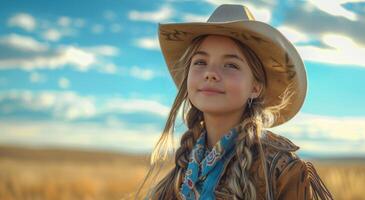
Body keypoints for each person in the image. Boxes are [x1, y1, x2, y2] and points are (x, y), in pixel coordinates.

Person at [135, 4, 334, 200]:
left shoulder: (281, 170)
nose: (211, 73)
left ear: (255, 87)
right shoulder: (180, 174)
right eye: (200, 62)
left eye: (230, 65)